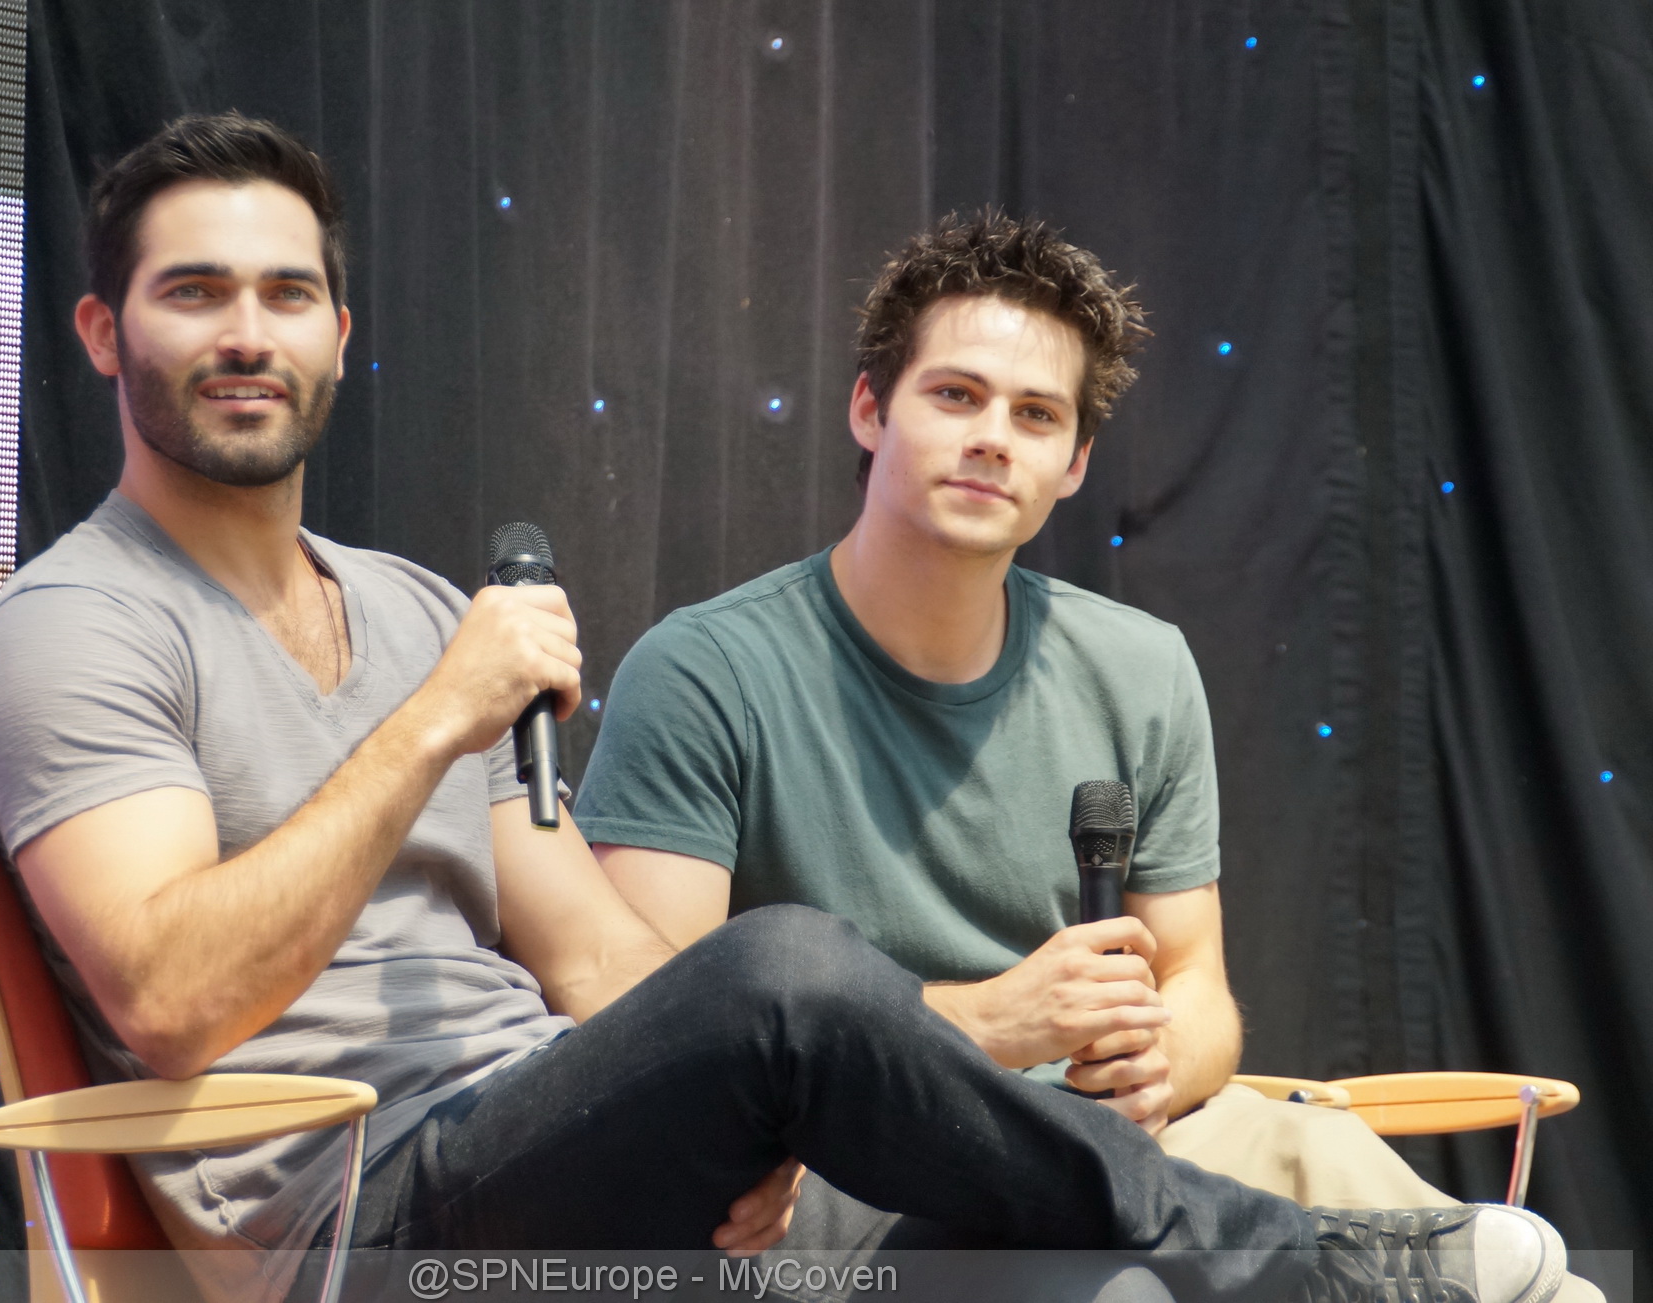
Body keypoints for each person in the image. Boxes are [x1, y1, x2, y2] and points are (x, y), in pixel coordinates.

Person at [0, 112, 1566, 1303]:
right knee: (792, 962)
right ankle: (1299, 1259)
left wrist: (726, 1100)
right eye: (196, 293)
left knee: (1087, 1270)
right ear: (102, 330)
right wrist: (435, 723)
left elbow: (601, 966)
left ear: (339, 332)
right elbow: (170, 997)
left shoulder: (416, 607)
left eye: (288, 294)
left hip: (562, 1152)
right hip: (364, 1219)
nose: (249, 333)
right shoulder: (73, 626)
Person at [576, 211, 1590, 1282]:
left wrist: (1164, 1060)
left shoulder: (1140, 666)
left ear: (1073, 462)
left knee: (1368, 1180)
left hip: (1120, 1150)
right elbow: (659, 1044)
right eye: (955, 395)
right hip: (850, 1176)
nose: (993, 438)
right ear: (869, 408)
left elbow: (1196, 983)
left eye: (1035, 414)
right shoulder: (703, 670)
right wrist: (985, 1024)